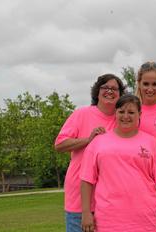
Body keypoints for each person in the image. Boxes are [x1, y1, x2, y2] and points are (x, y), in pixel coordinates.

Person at [80, 94, 156, 232]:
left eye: (131, 112)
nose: (125, 116)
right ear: (115, 113)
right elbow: (86, 180)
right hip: (108, 219)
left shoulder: (152, 143)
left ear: (140, 114)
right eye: (121, 111)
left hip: (146, 219)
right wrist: (86, 213)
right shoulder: (98, 143)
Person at [54, 74, 125, 232]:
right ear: (97, 92)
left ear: (120, 94)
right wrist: (88, 140)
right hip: (79, 202)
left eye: (114, 88)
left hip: (110, 203)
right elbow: (59, 145)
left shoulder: (122, 119)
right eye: (105, 87)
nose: (109, 91)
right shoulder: (82, 114)